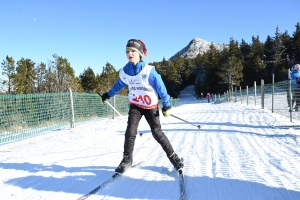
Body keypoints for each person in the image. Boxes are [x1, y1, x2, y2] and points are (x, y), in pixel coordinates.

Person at [101, 39, 184, 174]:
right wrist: (108, 94)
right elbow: (119, 85)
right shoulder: (125, 71)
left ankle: (174, 158)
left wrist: (166, 104)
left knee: (157, 133)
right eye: (127, 51)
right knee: (130, 131)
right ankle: (127, 159)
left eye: (133, 51)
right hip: (136, 105)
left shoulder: (148, 70)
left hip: (151, 106)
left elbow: (161, 87)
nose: (130, 53)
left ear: (140, 53)